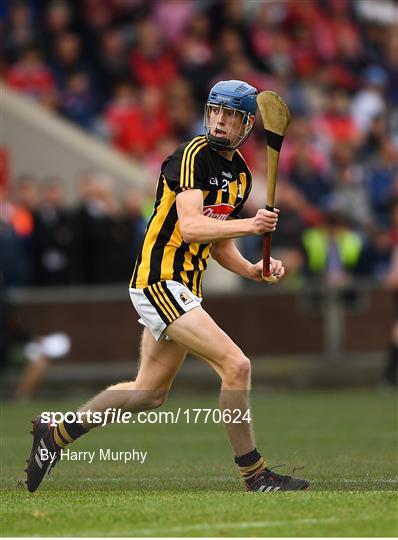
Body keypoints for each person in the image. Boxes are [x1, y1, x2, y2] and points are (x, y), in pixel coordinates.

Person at [25, 80, 309, 493]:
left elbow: (218, 241)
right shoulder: (192, 156)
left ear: (248, 124)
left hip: (185, 288)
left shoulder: (241, 177)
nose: (220, 121)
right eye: (215, 111)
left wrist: (251, 270)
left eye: (230, 115)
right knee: (237, 365)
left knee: (147, 394)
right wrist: (253, 223)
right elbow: (193, 226)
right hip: (160, 279)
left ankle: (56, 433)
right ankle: (255, 474)